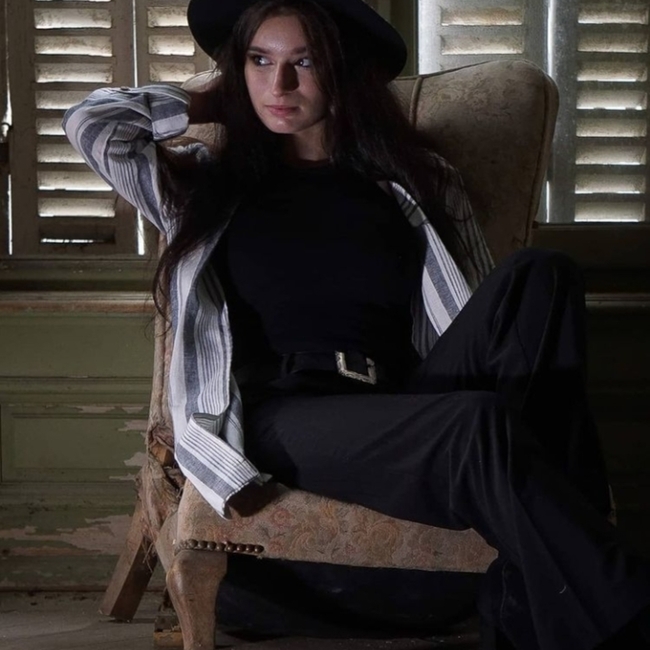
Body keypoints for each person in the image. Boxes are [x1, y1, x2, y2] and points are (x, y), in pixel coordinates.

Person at [63, 0, 650, 647]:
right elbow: (92, 123)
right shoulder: (204, 185)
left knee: (543, 275)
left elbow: (482, 320)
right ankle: (617, 610)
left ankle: (535, 584)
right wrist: (215, 101)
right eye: (260, 61)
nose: (279, 85)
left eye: (304, 62)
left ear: (342, 71)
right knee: (475, 423)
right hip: (283, 414)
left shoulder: (416, 184)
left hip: (398, 404)